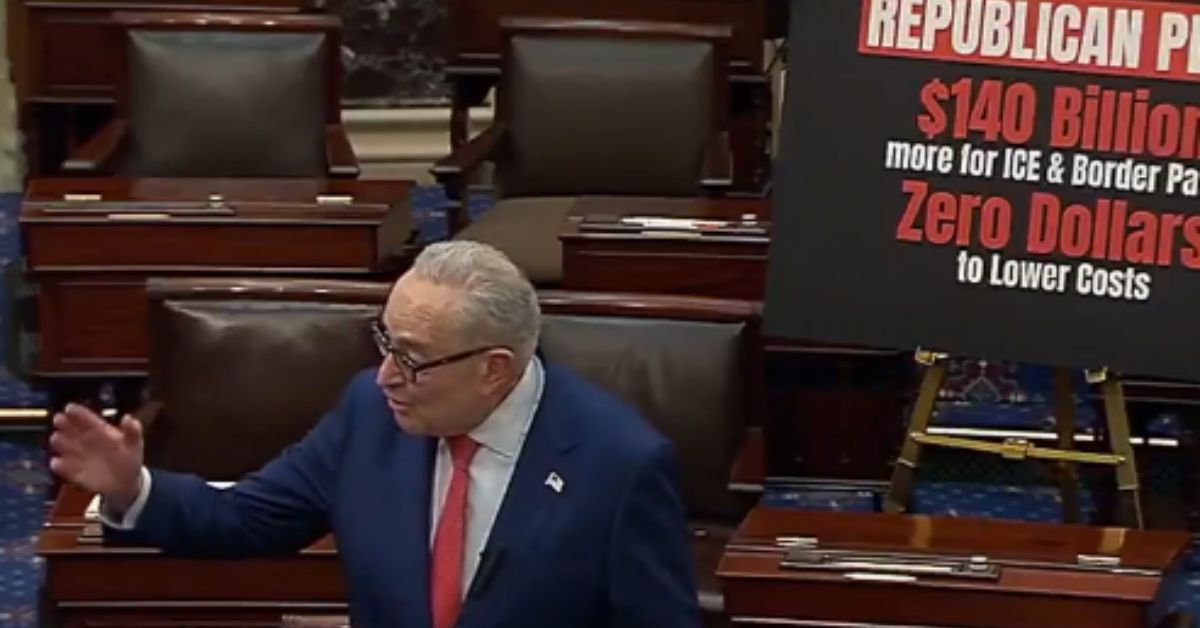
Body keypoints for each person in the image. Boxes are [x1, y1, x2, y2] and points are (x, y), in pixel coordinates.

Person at [48, 240, 701, 628]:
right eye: (385, 341)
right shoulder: (371, 413)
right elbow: (246, 518)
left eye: (412, 359)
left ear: (493, 370)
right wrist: (134, 487)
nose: (385, 375)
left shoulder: (619, 466)